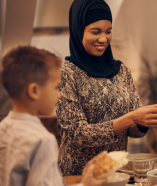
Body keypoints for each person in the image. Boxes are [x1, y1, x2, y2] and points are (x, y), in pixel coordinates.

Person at [56, 0, 157, 176]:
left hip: (116, 174)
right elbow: (78, 134)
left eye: (108, 31)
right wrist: (132, 118)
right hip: (79, 176)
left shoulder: (121, 71)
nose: (103, 39)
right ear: (78, 30)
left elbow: (133, 130)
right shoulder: (66, 74)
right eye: (95, 31)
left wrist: (146, 119)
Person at [0, 46, 106, 186]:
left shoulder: (3, 128)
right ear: (34, 91)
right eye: (56, 87)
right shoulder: (43, 140)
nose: (59, 94)